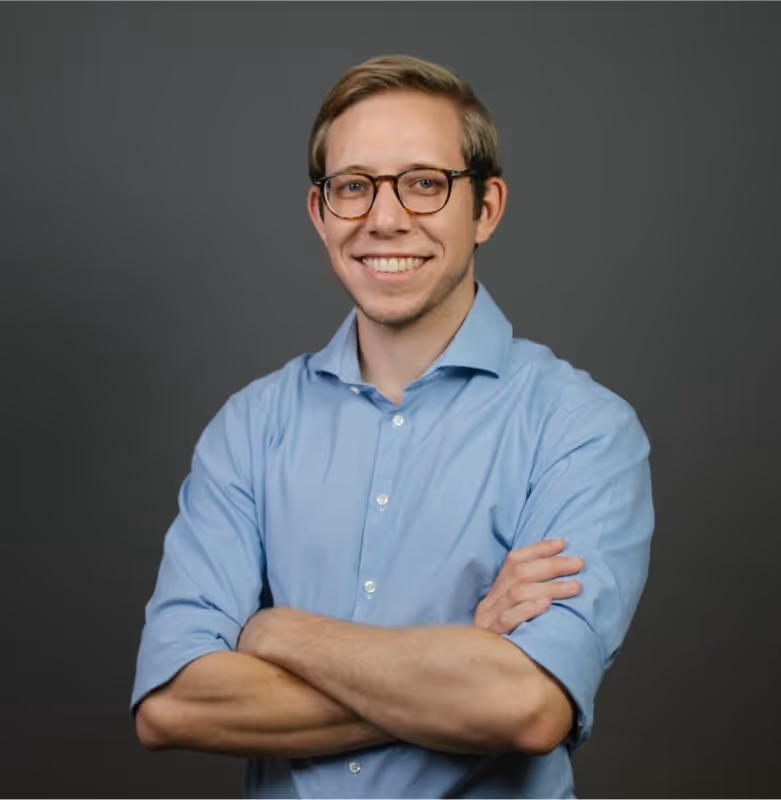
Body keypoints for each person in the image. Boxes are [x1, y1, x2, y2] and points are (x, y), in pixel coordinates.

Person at [131, 54, 654, 799]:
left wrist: (274, 633)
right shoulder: (249, 428)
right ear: (320, 213)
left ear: (486, 207)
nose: (383, 219)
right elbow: (174, 706)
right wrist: (466, 659)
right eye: (353, 186)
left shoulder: (581, 430)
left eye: (424, 183)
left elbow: (526, 706)